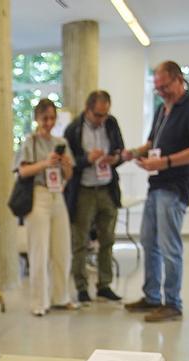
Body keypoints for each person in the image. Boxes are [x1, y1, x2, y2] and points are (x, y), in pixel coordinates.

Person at [123, 61, 189, 322]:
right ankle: (152, 296)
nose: (161, 92)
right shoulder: (162, 110)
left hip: (175, 186)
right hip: (157, 184)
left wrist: (165, 162)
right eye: (157, 88)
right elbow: (152, 142)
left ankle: (172, 302)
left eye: (165, 87)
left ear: (179, 80)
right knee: (149, 242)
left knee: (169, 246)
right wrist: (133, 153)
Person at [62, 90, 126, 304]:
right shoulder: (73, 129)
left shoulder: (111, 124)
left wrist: (114, 158)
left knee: (107, 239)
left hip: (107, 188)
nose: (102, 119)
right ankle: (81, 286)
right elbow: (68, 162)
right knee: (80, 241)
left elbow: (120, 152)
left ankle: (104, 284)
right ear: (87, 110)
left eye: (105, 114)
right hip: (84, 190)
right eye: (98, 115)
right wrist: (87, 159)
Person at [16, 98, 76, 316]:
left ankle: (61, 296)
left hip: (57, 194)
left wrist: (65, 165)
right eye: (45, 118)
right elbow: (22, 171)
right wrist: (45, 163)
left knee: (62, 249)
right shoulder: (29, 142)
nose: (49, 122)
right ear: (37, 119)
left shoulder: (61, 142)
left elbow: (68, 176)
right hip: (38, 195)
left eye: (52, 118)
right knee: (39, 251)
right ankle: (39, 302)